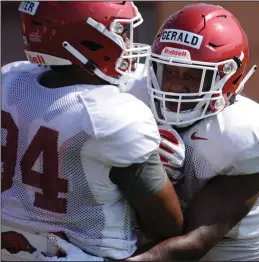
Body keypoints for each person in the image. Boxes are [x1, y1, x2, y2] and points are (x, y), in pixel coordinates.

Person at [35, 3, 259, 262]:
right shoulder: (129, 96)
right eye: (169, 70)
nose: (173, 86)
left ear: (228, 77)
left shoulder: (247, 136)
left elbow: (194, 242)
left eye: (192, 76)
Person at [1, 2, 184, 261]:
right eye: (119, 31)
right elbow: (167, 225)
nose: (128, 43)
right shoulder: (112, 114)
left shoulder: (9, 81)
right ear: (86, 39)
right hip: (86, 253)